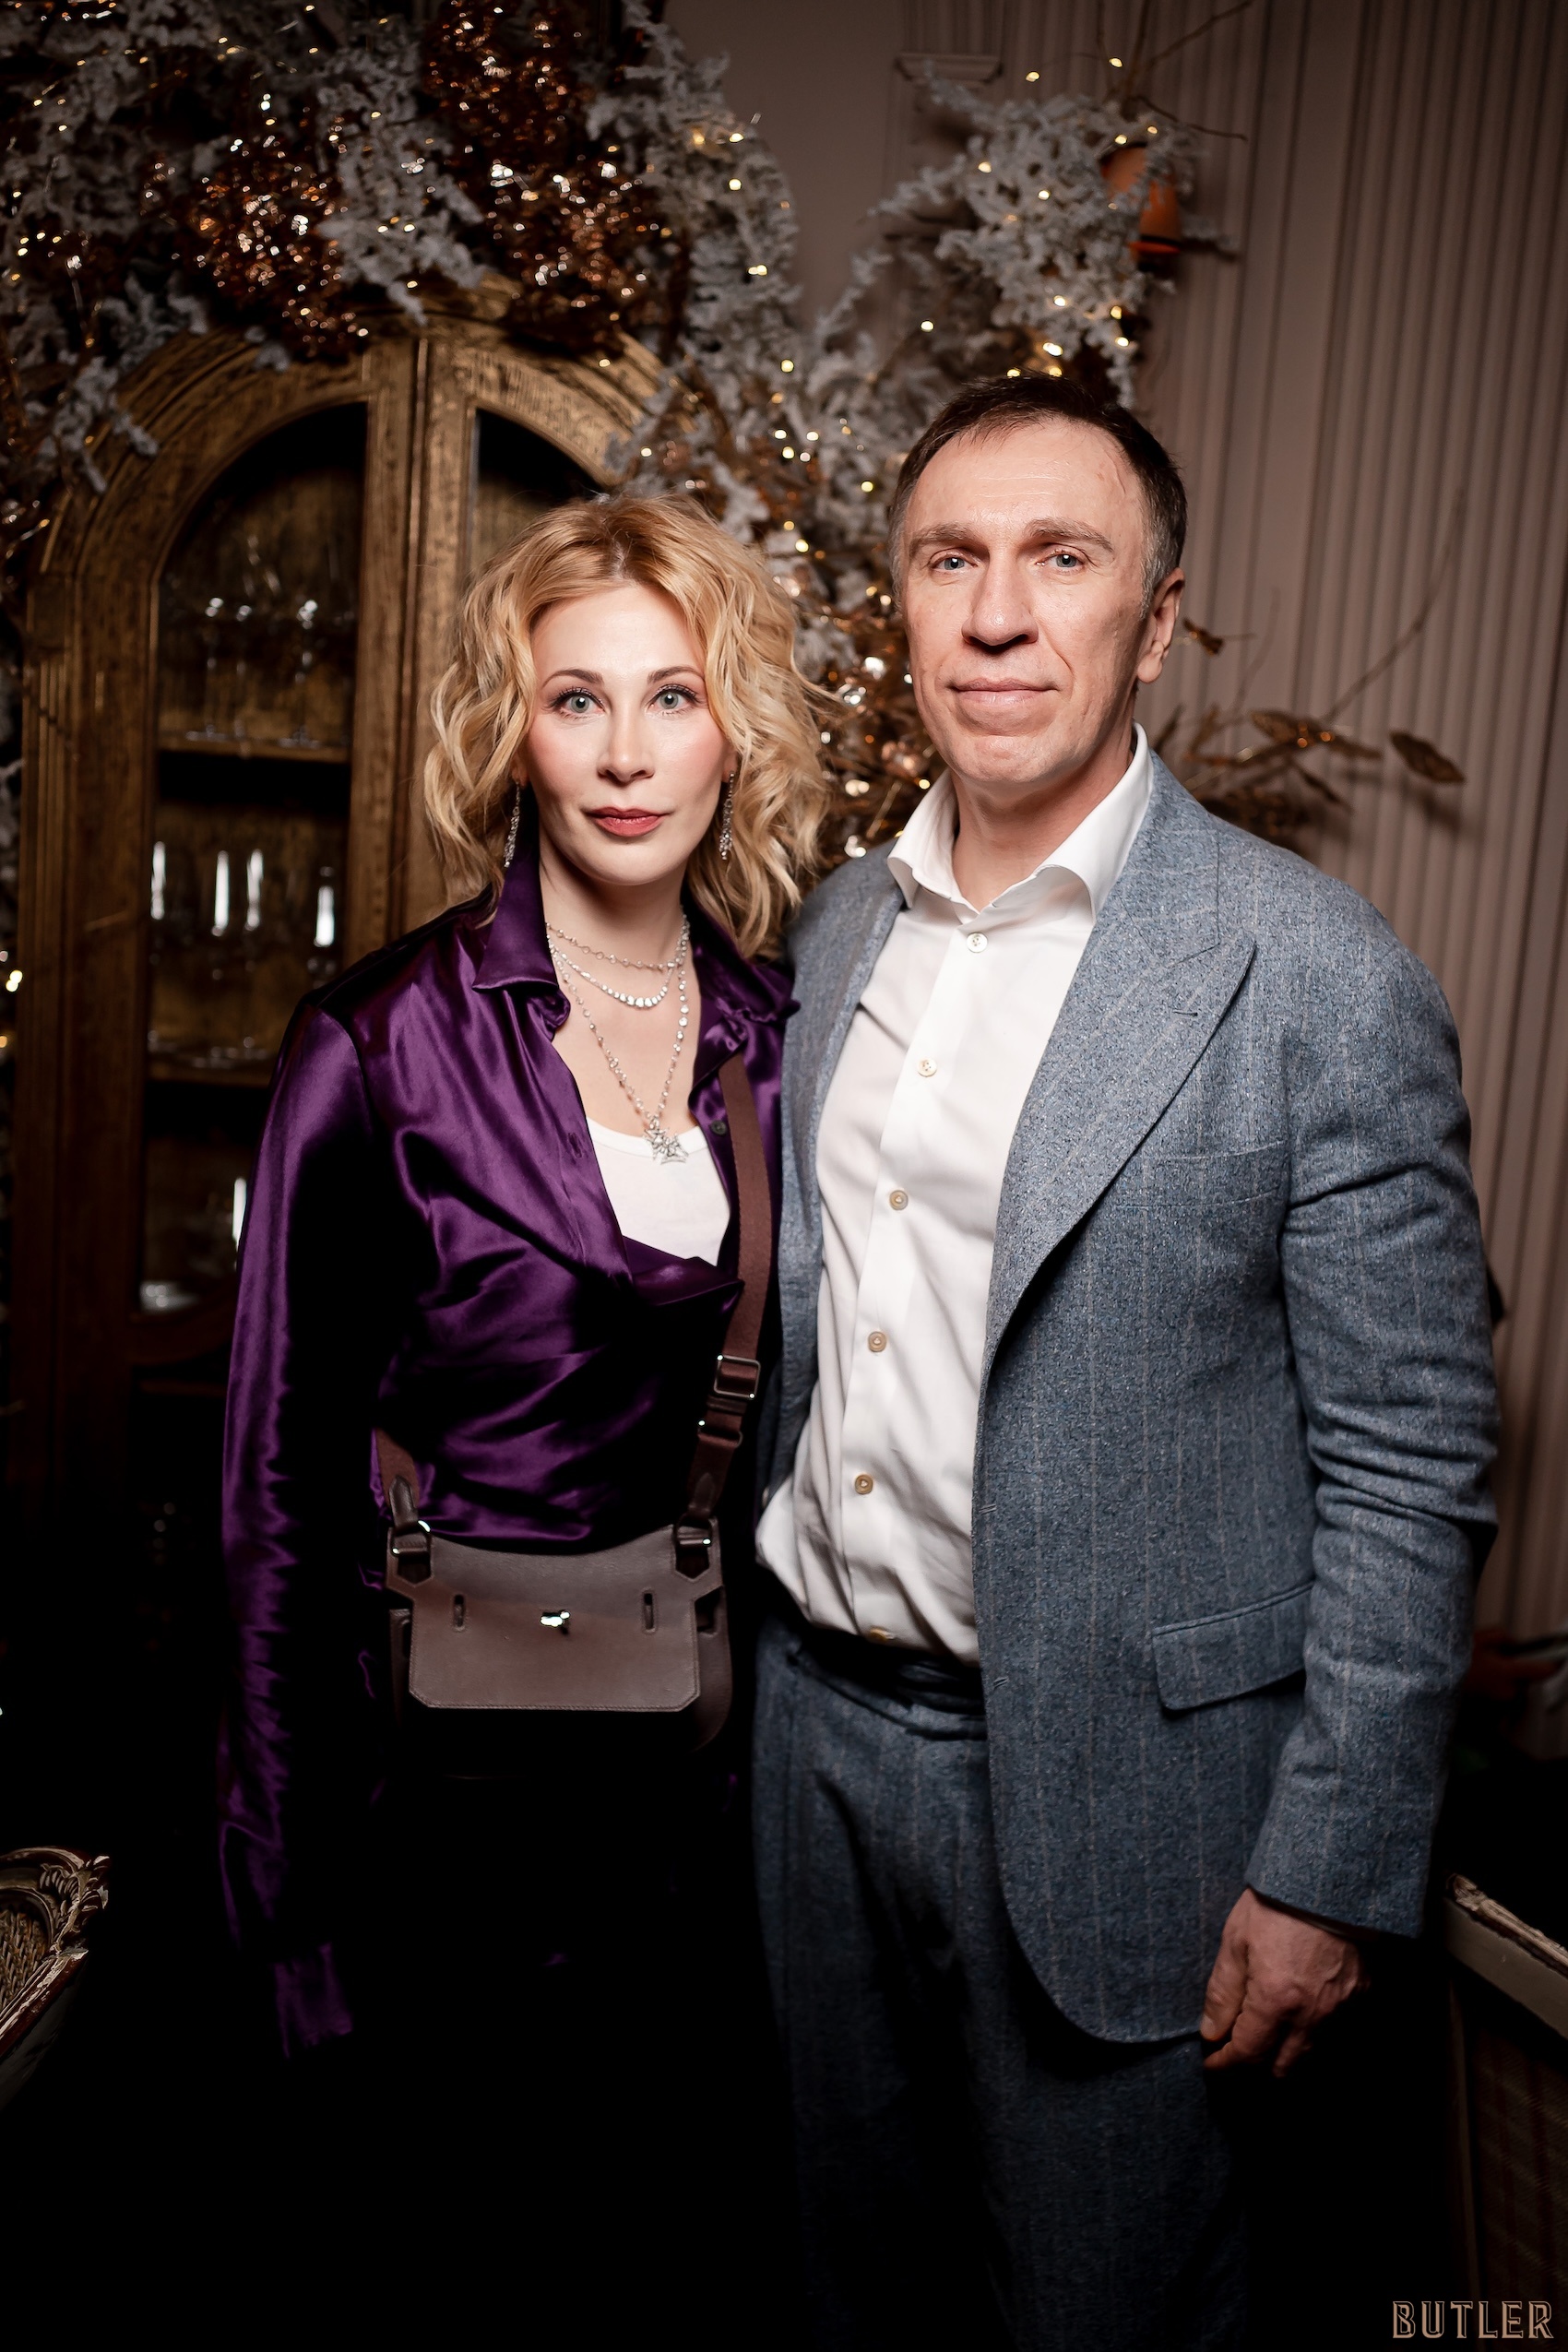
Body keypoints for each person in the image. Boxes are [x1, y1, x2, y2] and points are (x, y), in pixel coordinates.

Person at [751, 375, 1498, 2349]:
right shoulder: (830, 936)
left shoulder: (1314, 974)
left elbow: (1413, 1459)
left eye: (1060, 559)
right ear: (901, 604)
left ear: (1155, 621)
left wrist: (1331, 1871)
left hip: (1133, 1817)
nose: (998, 614)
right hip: (810, 1752)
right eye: (951, 559)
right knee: (840, 2306)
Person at [219, 493, 826, 2264]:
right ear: (516, 732)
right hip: (428, 1824)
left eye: (673, 695)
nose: (627, 754)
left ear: (735, 731)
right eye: (577, 699)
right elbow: (272, 1495)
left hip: (698, 1815)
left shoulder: (787, 1041)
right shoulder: (376, 1043)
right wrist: (286, 1906)